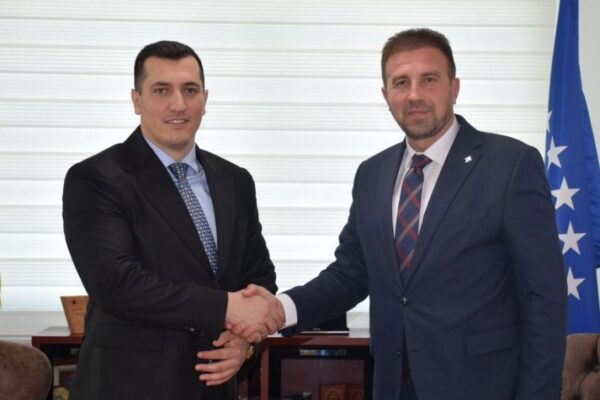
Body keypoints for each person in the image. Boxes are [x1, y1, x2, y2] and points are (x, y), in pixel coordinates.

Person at [238, 28, 567, 400]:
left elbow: (545, 297)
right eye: (401, 83)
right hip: (393, 385)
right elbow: (351, 273)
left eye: (429, 79)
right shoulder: (372, 174)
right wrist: (280, 308)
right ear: (386, 95)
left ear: (454, 88)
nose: (414, 95)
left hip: (482, 385)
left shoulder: (511, 165)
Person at [62, 40, 282, 400]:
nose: (178, 104)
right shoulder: (96, 179)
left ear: (205, 100)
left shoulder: (235, 180)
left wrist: (244, 340)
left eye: (190, 90)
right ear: (137, 100)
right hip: (128, 387)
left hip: (216, 385)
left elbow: (259, 275)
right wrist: (227, 308)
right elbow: (117, 284)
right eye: (162, 90)